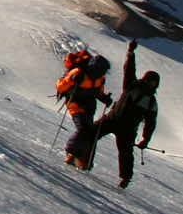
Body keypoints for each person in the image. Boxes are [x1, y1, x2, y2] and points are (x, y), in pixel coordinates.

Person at [92, 40, 161, 189]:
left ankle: (125, 179)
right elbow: (129, 68)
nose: (150, 84)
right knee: (92, 134)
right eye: (149, 80)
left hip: (124, 127)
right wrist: (130, 53)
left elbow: (151, 122)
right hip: (115, 120)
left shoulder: (149, 100)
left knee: (125, 154)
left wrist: (146, 138)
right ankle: (84, 159)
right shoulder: (133, 85)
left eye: (153, 82)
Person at [58, 50, 113, 169]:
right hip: (75, 104)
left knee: (87, 131)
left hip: (89, 107)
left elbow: (98, 92)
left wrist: (105, 99)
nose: (104, 73)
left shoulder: (99, 77)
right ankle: (71, 150)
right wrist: (72, 79)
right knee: (83, 128)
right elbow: (60, 86)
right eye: (103, 70)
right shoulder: (79, 73)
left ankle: (75, 156)